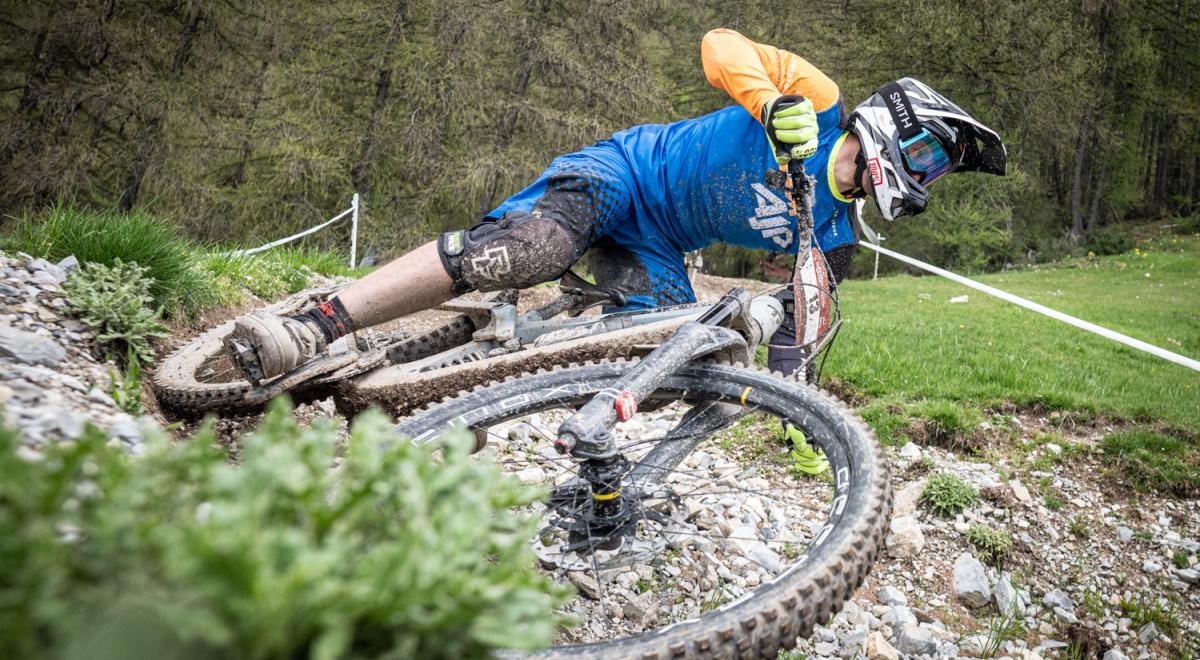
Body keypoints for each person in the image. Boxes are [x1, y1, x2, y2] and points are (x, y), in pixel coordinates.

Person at [232, 28, 1007, 423]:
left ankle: (468, 391)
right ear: (893, 126)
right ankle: (318, 323)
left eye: (937, 170)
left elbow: (796, 342)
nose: (927, 175)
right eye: (928, 157)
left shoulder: (833, 232)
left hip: (659, 246)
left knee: (667, 365)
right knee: (526, 251)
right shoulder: (822, 99)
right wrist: (771, 103)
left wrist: (788, 394)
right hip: (624, 174)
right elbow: (720, 45)